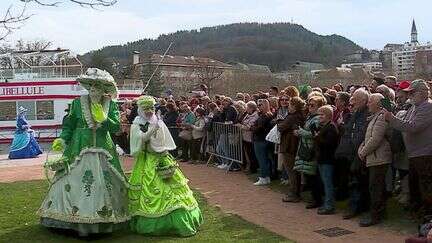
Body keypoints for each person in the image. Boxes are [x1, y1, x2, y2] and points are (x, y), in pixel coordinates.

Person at [37, 68, 129, 236]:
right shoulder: (77, 103)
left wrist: (104, 119)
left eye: (98, 85)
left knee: (102, 183)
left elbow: (116, 128)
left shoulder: (111, 104)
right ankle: (68, 217)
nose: (94, 88)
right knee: (73, 179)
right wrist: (63, 139)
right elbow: (69, 125)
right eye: (91, 85)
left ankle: (103, 218)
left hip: (103, 148)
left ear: (104, 88)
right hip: (78, 147)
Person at [128, 95, 203, 236]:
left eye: (151, 108)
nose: (149, 111)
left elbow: (163, 141)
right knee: (148, 186)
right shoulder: (137, 124)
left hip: (162, 157)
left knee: (172, 190)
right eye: (146, 109)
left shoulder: (159, 121)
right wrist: (151, 129)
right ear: (140, 110)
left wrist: (162, 151)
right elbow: (141, 139)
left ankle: (178, 221)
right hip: (147, 160)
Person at [384, 79, 432, 217]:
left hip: (424, 154)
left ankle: (427, 215)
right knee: (415, 186)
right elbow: (406, 123)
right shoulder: (414, 106)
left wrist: (391, 118)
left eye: (412, 92)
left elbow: (413, 126)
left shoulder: (427, 107)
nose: (409, 95)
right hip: (415, 154)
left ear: (423, 93)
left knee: (426, 187)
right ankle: (418, 211)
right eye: (409, 93)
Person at [358, 93, 391, 227]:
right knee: (376, 186)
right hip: (375, 157)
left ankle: (375, 215)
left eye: (370, 101)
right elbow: (368, 138)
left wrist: (363, 152)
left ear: (378, 103)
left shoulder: (381, 117)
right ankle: (379, 213)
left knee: (375, 187)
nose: (368, 104)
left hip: (379, 158)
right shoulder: (375, 117)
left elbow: (376, 139)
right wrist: (362, 149)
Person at [294, 95, 326, 209]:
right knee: (309, 175)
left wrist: (301, 132)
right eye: (309, 105)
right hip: (306, 148)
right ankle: (314, 198)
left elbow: (314, 134)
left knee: (313, 177)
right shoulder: (310, 117)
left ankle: (317, 199)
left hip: (312, 150)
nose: (309, 107)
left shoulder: (317, 119)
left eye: (312, 105)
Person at [343, 88, 370, 220]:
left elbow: (361, 134)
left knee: (357, 180)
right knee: (356, 180)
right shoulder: (356, 113)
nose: (352, 102)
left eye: (355, 100)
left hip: (359, 152)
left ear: (364, 101)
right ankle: (359, 206)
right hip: (352, 151)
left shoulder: (366, 115)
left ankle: (356, 207)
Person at [279, 97, 305, 203]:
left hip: (289, 146)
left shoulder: (292, 117)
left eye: (290, 104)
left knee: (291, 171)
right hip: (293, 146)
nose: (288, 106)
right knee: (294, 171)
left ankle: (293, 194)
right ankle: (295, 192)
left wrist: (279, 121)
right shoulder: (299, 116)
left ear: (294, 106)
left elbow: (281, 127)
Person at [314, 105, 339, 215]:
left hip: (328, 159)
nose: (319, 117)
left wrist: (317, 137)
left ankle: (329, 206)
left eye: (322, 114)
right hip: (322, 159)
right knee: (325, 182)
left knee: (328, 183)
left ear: (328, 115)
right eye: (319, 114)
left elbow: (329, 144)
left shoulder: (331, 127)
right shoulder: (324, 126)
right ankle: (327, 204)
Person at [251, 99, 274, 186]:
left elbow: (258, 128)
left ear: (265, 105)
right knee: (265, 159)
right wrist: (253, 126)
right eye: (258, 105)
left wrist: (252, 127)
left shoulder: (265, 115)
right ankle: (267, 177)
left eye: (260, 105)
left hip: (261, 139)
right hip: (263, 139)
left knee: (262, 159)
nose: (258, 106)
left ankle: (263, 177)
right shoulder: (264, 115)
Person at [238, 101, 260, 173]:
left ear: (251, 108)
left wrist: (241, 126)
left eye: (247, 107)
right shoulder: (247, 115)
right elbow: (243, 122)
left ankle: (253, 169)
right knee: (247, 154)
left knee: (251, 154)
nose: (246, 109)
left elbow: (249, 126)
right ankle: (249, 167)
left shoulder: (255, 115)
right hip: (245, 137)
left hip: (250, 137)